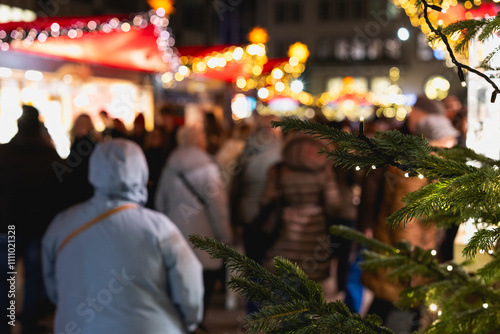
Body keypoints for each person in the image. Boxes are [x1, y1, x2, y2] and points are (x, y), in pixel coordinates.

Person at [42, 139, 204, 334]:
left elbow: (54, 288)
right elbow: (189, 287)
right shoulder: (160, 228)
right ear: (142, 173)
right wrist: (189, 322)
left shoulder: (62, 225)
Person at [361, 96, 458, 332]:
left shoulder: (425, 165)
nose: (451, 146)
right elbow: (407, 220)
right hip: (404, 258)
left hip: (404, 255)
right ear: (435, 141)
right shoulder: (413, 169)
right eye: (447, 141)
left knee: (386, 303)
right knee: (395, 306)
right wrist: (413, 265)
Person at [155, 125, 233, 324]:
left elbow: (160, 203)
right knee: (204, 282)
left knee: (181, 281)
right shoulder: (208, 167)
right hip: (204, 236)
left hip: (176, 236)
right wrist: (225, 234)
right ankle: (197, 322)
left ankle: (184, 322)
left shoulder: (170, 166)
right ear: (201, 141)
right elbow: (218, 207)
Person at [0, 105, 68, 334]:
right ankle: (28, 323)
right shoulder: (49, 156)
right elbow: (61, 193)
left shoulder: (4, 154)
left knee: (7, 279)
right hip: (38, 228)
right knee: (34, 280)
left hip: (8, 228)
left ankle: (6, 322)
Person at [260, 133, 342, 284]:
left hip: (283, 232)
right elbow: (334, 205)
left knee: (282, 283)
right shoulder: (324, 171)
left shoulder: (279, 170)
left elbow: (265, 200)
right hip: (314, 232)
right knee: (309, 285)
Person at [66, 113, 101, 206]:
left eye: (84, 124)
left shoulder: (87, 143)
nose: (82, 127)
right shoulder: (79, 142)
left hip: (84, 186)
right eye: (80, 124)